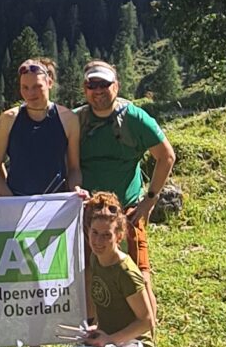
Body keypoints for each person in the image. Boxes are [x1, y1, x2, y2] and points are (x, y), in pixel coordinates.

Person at [51, 191, 159, 347]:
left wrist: (111, 339)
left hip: (132, 343)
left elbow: (147, 321)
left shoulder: (126, 271)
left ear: (119, 235)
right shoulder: (96, 258)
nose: (98, 241)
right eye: (94, 233)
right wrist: (97, 330)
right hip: (107, 338)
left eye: (106, 235)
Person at [74, 57, 175, 279]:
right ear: (85, 89)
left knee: (138, 273)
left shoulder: (134, 117)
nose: (98, 91)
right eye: (92, 85)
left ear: (116, 86)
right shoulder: (76, 120)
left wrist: (149, 199)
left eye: (104, 85)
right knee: (90, 272)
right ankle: (97, 315)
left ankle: (146, 315)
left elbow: (166, 156)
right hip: (89, 212)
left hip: (128, 210)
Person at [0, 57, 82, 198]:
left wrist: (76, 190)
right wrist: (9, 199)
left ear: (49, 83)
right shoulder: (9, 118)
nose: (30, 93)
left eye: (37, 87)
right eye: (25, 87)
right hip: (17, 200)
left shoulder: (68, 119)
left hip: (55, 203)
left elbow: (74, 169)